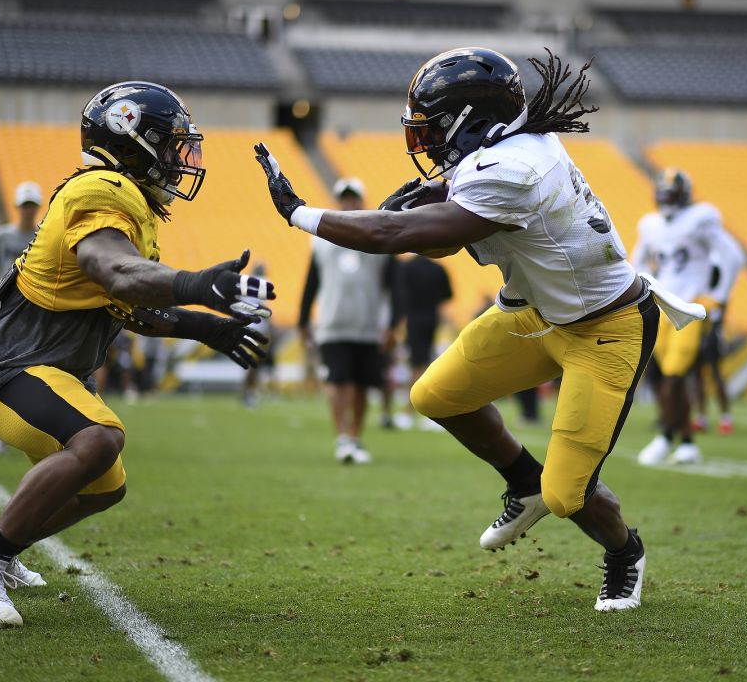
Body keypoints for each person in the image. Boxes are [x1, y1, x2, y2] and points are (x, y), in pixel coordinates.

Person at [255, 48, 705, 611]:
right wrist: (438, 196)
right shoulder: (508, 150)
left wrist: (301, 213)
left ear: (470, 119)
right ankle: (521, 481)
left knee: (565, 495)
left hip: (605, 327)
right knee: (435, 394)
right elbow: (443, 234)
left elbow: (399, 239)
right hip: (537, 315)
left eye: (434, 125)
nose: (424, 140)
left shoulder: (514, 169)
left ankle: (625, 554)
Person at [0, 81, 274, 628]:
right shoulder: (101, 189)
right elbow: (112, 269)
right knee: (98, 439)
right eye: (169, 144)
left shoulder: (131, 208)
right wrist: (192, 284)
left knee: (104, 487)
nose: (178, 158)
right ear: (131, 139)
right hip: (12, 369)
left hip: (47, 371)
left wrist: (204, 327)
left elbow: (132, 306)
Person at [631, 169, 743, 467]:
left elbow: (733, 256)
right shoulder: (651, 225)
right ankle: (687, 442)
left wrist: (718, 296)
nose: (667, 199)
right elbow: (637, 261)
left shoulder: (700, 219)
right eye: (664, 194)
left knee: (675, 377)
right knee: (661, 376)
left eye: (672, 194)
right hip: (663, 306)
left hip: (689, 309)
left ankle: (667, 435)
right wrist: (645, 288)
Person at [298, 178, 401, 464]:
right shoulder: (320, 239)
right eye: (344, 199)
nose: (349, 203)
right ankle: (342, 436)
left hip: (368, 326)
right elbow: (312, 281)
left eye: (353, 198)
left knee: (361, 384)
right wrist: (303, 319)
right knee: (337, 379)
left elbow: (395, 284)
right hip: (332, 323)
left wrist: (392, 324)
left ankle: (355, 436)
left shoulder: (378, 237)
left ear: (361, 200)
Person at [0, 181, 45, 454]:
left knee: (31, 373)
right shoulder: (3, 237)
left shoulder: (42, 235)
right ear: (17, 207)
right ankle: (0, 436)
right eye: (25, 205)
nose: (28, 210)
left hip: (34, 314)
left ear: (37, 208)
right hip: (3, 314)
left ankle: (31, 433)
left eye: (32, 205)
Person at [395, 253, 453, 429]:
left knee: (417, 365)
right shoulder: (438, 268)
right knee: (426, 363)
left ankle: (411, 412)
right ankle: (427, 412)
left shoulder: (405, 268)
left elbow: (398, 295)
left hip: (413, 320)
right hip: (431, 319)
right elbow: (448, 295)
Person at [691, 251, 745, 435]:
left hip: (712, 334)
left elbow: (718, 315)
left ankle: (725, 417)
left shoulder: (718, 293)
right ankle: (702, 417)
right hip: (698, 333)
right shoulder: (701, 290)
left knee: (715, 376)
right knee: (698, 376)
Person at [242, 263, 277, 408]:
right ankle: (249, 393)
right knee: (254, 364)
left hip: (248, 327)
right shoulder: (260, 284)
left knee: (253, 364)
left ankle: (249, 393)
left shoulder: (246, 285)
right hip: (256, 329)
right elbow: (262, 307)